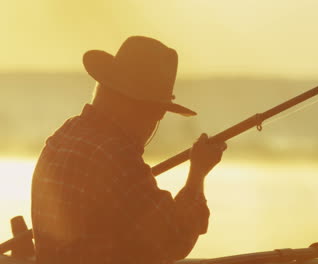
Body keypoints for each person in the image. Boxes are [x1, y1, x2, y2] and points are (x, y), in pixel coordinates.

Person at [31, 36, 227, 264]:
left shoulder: (62, 136)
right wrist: (198, 173)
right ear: (136, 106)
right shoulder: (116, 157)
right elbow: (174, 239)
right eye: (157, 113)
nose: (154, 123)